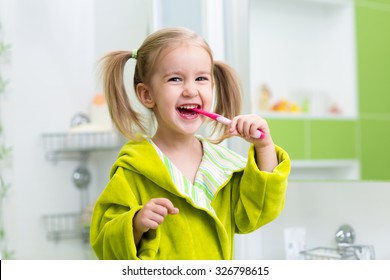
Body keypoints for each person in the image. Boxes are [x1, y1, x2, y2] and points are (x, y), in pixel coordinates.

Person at [90, 27, 290, 260]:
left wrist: (264, 147)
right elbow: (105, 242)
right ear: (147, 95)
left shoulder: (223, 166)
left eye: (201, 78)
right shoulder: (133, 169)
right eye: (175, 79)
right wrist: (135, 224)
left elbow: (258, 212)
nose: (191, 90)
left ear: (212, 88)